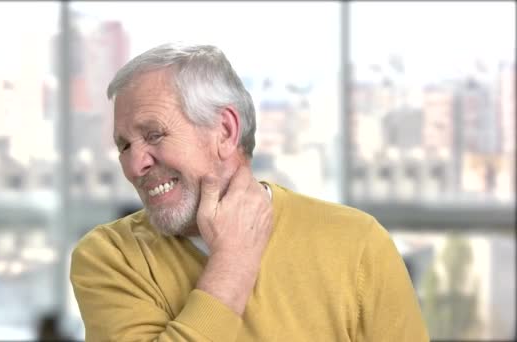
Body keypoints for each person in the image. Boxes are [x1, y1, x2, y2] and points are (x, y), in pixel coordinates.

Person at [70, 42, 429, 341]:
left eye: (153, 135)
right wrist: (232, 263)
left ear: (225, 131)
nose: (134, 166)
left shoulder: (358, 244)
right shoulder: (110, 257)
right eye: (124, 146)